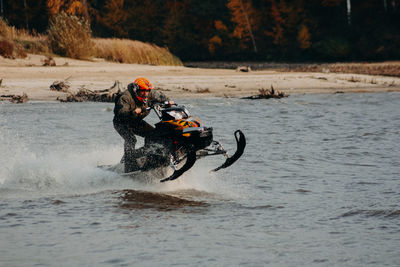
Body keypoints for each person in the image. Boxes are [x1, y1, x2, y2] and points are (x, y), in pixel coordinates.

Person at [113, 77, 173, 172]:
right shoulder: (125, 97)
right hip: (122, 123)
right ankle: (129, 165)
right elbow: (121, 113)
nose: (145, 93)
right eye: (142, 91)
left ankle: (148, 157)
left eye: (147, 91)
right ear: (136, 89)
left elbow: (161, 96)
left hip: (136, 122)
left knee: (154, 134)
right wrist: (133, 112)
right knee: (131, 140)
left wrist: (169, 102)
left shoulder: (150, 94)